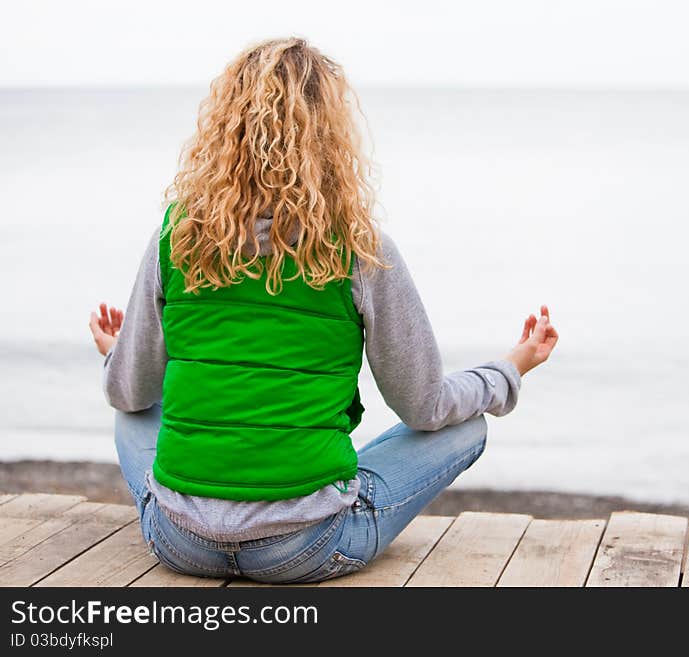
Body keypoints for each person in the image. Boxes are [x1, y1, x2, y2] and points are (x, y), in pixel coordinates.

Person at [87, 37, 558, 584]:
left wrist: (119, 354)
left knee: (133, 411)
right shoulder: (360, 249)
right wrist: (512, 367)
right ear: (331, 138)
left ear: (222, 133)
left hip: (181, 542)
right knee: (466, 427)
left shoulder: (178, 239)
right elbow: (425, 408)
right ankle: (308, 488)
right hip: (308, 547)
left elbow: (129, 393)